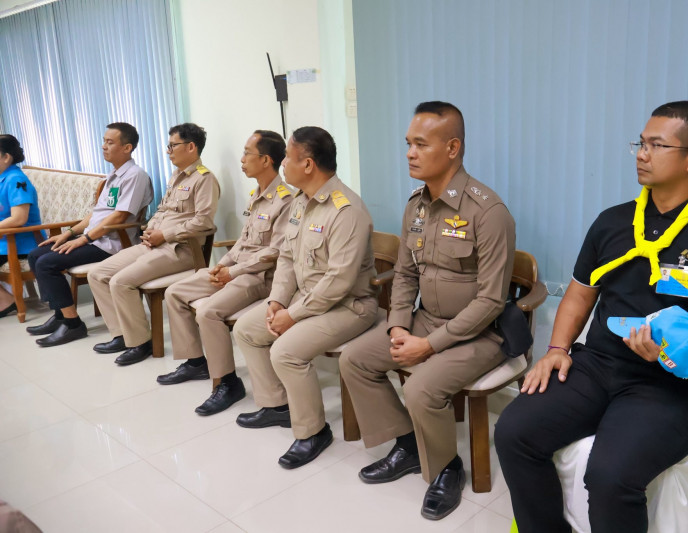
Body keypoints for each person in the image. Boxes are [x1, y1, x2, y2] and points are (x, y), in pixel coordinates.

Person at [495, 101, 688, 533]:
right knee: (514, 432)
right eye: (640, 144)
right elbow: (579, 294)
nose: (642, 154)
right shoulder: (613, 223)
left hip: (676, 385)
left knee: (610, 475)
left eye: (656, 145)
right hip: (598, 366)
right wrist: (557, 348)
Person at [339, 101, 516, 520]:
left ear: (452, 148)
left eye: (420, 144)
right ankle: (407, 445)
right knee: (354, 360)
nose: (409, 153)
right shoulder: (416, 206)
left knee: (420, 388)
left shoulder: (488, 212)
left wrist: (429, 345)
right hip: (424, 321)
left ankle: (446, 468)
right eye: (408, 144)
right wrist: (399, 326)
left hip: (480, 333)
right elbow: (404, 274)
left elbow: (491, 301)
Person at [232, 126, 377, 469]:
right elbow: (285, 258)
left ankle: (313, 432)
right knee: (246, 329)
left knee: (285, 352)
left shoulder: (346, 210)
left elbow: (339, 282)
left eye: (287, 158)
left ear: (308, 164)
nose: (282, 164)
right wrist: (276, 302)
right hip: (304, 299)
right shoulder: (300, 201)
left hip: (349, 306)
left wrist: (293, 315)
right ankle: (277, 405)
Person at [158, 130, 292, 416]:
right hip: (236, 270)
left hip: (260, 278)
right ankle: (196, 362)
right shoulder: (256, 194)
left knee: (208, 312)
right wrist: (224, 264)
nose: (241, 159)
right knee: (175, 293)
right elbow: (243, 241)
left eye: (247, 153)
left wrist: (234, 271)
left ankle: (227, 383)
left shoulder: (286, 200)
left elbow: (274, 253)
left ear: (266, 160)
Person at [88, 123, 220, 366]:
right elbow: (162, 210)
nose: (168, 151)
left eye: (173, 146)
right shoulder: (176, 176)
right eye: (168, 146)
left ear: (191, 147)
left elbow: (203, 222)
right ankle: (122, 335)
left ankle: (140, 343)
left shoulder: (205, 179)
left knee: (120, 281)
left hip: (181, 250)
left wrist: (165, 235)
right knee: (97, 274)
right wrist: (151, 229)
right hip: (154, 244)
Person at [25, 123, 153, 346]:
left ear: (127, 147)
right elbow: (96, 213)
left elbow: (119, 217)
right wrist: (69, 234)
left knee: (47, 263)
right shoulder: (113, 175)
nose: (103, 146)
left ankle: (73, 325)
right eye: (104, 141)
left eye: (110, 142)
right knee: (36, 255)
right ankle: (60, 316)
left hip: (111, 244)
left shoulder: (135, 176)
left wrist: (84, 239)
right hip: (95, 237)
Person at [0, 134, 44, 319]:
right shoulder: (3, 178)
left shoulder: (16, 180)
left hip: (21, 244)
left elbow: (19, 218)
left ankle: (6, 301)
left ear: (6, 157)